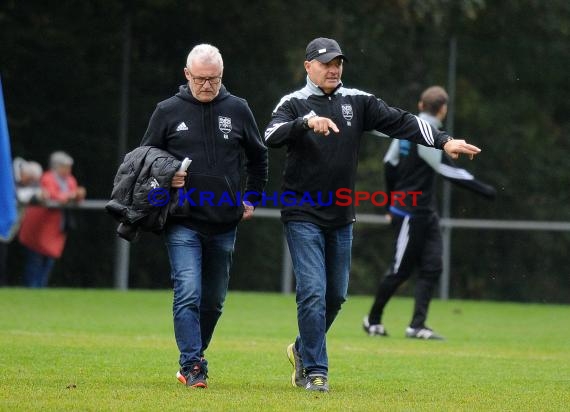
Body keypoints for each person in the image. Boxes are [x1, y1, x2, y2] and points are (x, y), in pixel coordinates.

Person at [264, 38, 482, 392]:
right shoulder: (293, 104)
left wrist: (443, 141)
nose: (334, 69)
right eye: (325, 63)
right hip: (301, 212)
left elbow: (403, 122)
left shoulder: (358, 101)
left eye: (338, 63)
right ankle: (317, 371)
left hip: (340, 215)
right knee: (313, 293)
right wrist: (306, 123)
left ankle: (302, 350)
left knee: (335, 297)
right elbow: (270, 135)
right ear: (308, 66)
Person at [139, 44, 268, 389]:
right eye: (200, 79)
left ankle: (194, 356)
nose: (207, 86)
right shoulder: (166, 111)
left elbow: (258, 158)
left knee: (213, 301)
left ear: (222, 76)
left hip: (225, 222)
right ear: (187, 75)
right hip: (182, 220)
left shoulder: (238, 109)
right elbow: (143, 160)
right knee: (188, 292)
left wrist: (252, 197)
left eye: (214, 80)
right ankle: (193, 364)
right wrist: (167, 177)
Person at [363, 86, 496, 340]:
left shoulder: (404, 129)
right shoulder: (430, 133)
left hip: (422, 211)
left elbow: (389, 165)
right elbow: (445, 168)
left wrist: (389, 201)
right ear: (443, 109)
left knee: (432, 266)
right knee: (400, 269)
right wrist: (484, 190)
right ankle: (372, 320)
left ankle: (417, 325)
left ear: (421, 105)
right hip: (410, 212)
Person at [18, 151, 86, 287]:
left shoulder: (70, 180)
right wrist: (70, 196)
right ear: (57, 166)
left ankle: (41, 289)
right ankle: (30, 290)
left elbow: (74, 196)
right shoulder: (47, 178)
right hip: (39, 227)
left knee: (48, 262)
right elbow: (54, 196)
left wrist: (78, 195)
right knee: (34, 262)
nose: (68, 170)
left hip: (55, 230)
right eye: (65, 166)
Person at [0, 158, 44, 286]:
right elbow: (19, 195)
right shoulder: (10, 182)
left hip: (6, 231)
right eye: (30, 178)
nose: (30, 181)